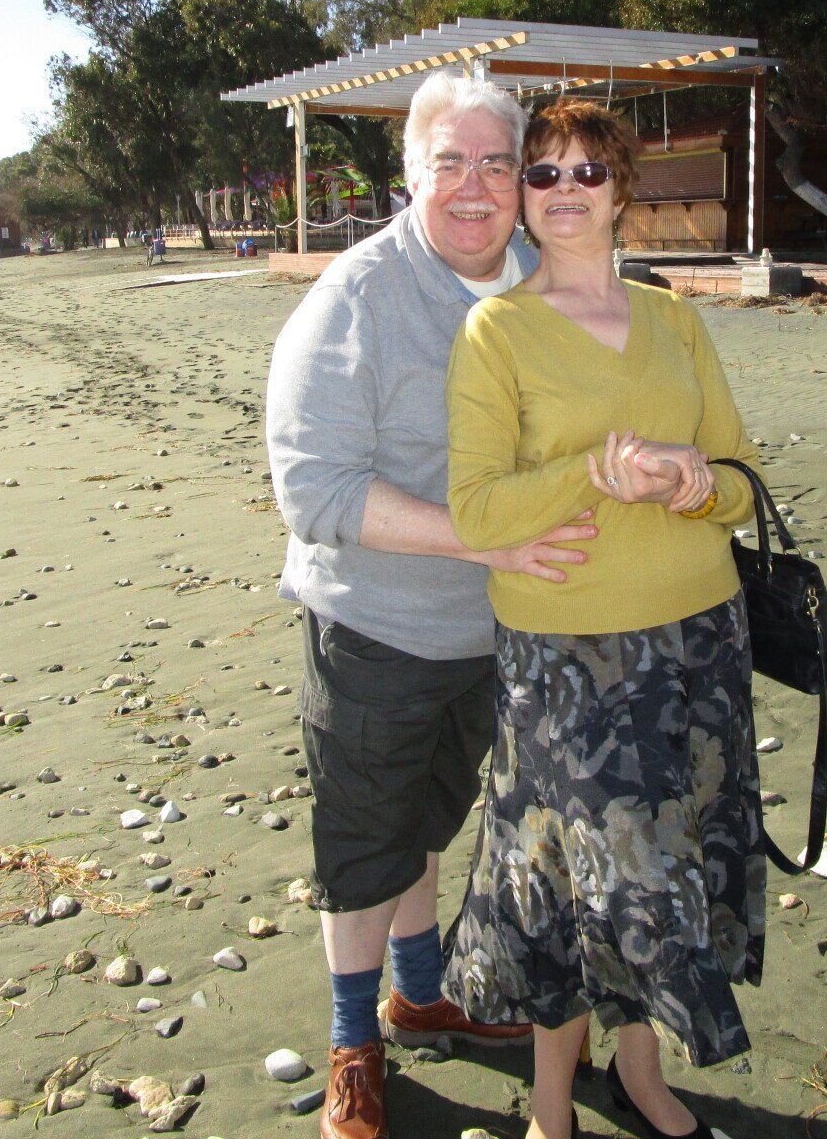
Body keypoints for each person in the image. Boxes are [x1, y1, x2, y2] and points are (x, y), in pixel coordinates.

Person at [265, 71, 601, 1139]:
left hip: (498, 628)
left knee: (430, 819)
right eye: (447, 162)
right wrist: (481, 534)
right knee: (363, 842)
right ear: (409, 174)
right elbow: (312, 488)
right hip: (377, 625)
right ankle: (355, 1045)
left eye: (494, 163)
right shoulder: (354, 298)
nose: (472, 186)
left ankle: (420, 992)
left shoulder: (544, 286)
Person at [442, 100, 765, 1139]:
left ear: (624, 191)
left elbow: (745, 484)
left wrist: (688, 485)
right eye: (544, 174)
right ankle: (549, 1105)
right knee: (577, 879)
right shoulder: (498, 331)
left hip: (702, 635)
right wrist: (592, 476)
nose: (567, 190)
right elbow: (477, 508)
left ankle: (641, 1073)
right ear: (524, 202)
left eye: (589, 172)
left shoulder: (677, 321)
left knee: (673, 864)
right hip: (568, 654)